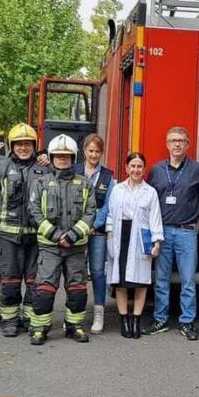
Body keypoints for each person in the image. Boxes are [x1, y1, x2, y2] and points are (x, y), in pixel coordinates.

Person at [27, 134, 96, 345]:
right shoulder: (41, 183)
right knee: (44, 290)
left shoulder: (84, 184)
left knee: (77, 290)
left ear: (73, 158)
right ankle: (40, 328)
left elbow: (90, 212)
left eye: (66, 156)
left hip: (76, 248)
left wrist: (73, 235)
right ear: (51, 157)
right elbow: (34, 212)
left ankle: (74, 326)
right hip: (49, 248)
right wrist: (57, 236)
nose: (62, 159)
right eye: (58, 156)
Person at [0, 123, 50, 337]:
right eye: (19, 144)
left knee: (34, 279)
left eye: (27, 144)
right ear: (12, 146)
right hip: (7, 235)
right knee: (9, 278)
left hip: (35, 235)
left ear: (34, 145)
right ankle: (9, 319)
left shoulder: (44, 169)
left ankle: (30, 318)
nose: (23, 148)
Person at [145, 127, 199, 340]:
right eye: (173, 140)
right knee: (161, 279)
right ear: (167, 143)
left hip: (187, 233)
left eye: (181, 140)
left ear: (188, 144)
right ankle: (160, 319)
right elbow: (148, 200)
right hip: (162, 232)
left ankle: (187, 322)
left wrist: (198, 220)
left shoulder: (197, 169)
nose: (177, 144)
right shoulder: (156, 170)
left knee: (188, 280)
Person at [105, 152, 163, 339]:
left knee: (141, 282)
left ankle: (136, 320)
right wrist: (110, 235)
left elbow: (155, 218)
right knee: (120, 282)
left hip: (140, 238)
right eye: (133, 166)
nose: (136, 170)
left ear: (143, 169)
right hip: (120, 236)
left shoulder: (150, 192)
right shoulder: (117, 189)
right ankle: (124, 320)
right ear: (126, 168)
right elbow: (111, 215)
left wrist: (156, 242)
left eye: (139, 166)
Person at [75, 134, 115, 334]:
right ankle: (74, 313)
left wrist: (93, 224)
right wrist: (79, 227)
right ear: (84, 151)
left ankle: (99, 313)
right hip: (75, 231)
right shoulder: (73, 171)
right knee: (76, 272)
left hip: (96, 232)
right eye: (90, 151)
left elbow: (109, 204)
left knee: (98, 272)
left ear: (102, 152)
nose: (94, 155)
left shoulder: (108, 176)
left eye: (97, 151)